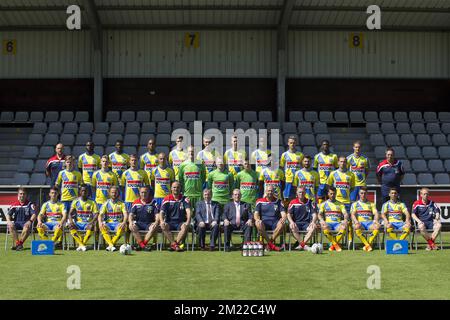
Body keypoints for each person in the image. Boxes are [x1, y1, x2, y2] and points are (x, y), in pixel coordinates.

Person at [327, 156, 355, 244]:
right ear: (338, 163)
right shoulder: (333, 173)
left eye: (344, 162)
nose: (342, 163)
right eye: (341, 162)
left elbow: (352, 188)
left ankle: (350, 240)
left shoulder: (351, 174)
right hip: (336, 202)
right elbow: (329, 186)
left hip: (346, 202)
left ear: (346, 163)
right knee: (336, 222)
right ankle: (334, 241)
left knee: (348, 221)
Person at [159, 181, 192, 252]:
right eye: (174, 187)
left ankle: (174, 244)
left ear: (180, 188)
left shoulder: (185, 199)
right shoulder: (166, 199)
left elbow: (188, 211)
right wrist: (161, 221)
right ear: (171, 188)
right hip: (169, 222)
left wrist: (188, 221)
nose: (176, 189)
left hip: (180, 222)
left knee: (185, 226)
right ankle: (175, 245)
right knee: (163, 226)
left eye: (177, 187)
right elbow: (161, 212)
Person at [254, 185, 286, 252]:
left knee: (282, 223)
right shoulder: (259, 201)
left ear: (274, 192)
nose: (270, 192)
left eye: (271, 191)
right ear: (265, 191)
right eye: (268, 191)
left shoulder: (279, 201)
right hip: (264, 222)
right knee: (257, 223)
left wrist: (283, 218)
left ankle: (269, 244)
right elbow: (256, 214)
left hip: (275, 222)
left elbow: (283, 214)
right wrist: (257, 219)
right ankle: (272, 245)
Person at [67, 184, 98, 251]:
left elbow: (96, 214)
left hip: (87, 223)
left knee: (91, 227)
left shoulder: (92, 202)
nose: (84, 192)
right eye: (82, 191)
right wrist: (71, 222)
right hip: (78, 223)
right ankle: (82, 245)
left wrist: (91, 222)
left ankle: (81, 244)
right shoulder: (75, 201)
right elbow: (70, 213)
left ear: (88, 192)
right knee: (70, 226)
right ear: (80, 192)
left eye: (86, 191)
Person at [129, 186, 159, 251]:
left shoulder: (153, 202)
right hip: (139, 223)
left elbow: (157, 215)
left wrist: (156, 222)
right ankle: (143, 245)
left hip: (149, 223)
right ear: (139, 193)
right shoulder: (136, 202)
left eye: (145, 192)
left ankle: (142, 245)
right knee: (131, 226)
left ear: (148, 193)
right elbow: (131, 214)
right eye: (142, 192)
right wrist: (131, 222)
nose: (144, 194)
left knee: (154, 227)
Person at [318, 187, 348, 252]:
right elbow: (319, 214)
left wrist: (345, 219)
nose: (332, 195)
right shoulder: (323, 204)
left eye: (334, 194)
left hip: (337, 224)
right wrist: (322, 220)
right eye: (331, 194)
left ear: (336, 193)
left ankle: (332, 245)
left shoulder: (340, 204)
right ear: (328, 194)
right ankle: (336, 245)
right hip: (328, 224)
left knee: (344, 226)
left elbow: (345, 213)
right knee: (324, 226)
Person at [98, 186, 128, 252]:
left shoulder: (122, 203)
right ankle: (111, 245)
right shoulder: (106, 203)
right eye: (112, 192)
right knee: (102, 226)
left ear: (118, 193)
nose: (114, 194)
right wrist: (100, 222)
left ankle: (110, 245)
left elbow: (125, 215)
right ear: (109, 193)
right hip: (109, 224)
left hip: (118, 224)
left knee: (122, 227)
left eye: (115, 192)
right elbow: (100, 215)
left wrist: (123, 222)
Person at [287, 187, 317, 251]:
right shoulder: (293, 202)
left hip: (306, 224)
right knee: (292, 227)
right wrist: (291, 222)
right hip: (296, 224)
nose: (301, 193)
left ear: (305, 193)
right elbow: (288, 214)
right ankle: (304, 246)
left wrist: (313, 222)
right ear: (297, 193)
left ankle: (301, 245)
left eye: (303, 192)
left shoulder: (310, 202)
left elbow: (314, 214)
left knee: (313, 227)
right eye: (300, 192)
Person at [350, 187, 380, 252]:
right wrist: (356, 221)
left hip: (369, 223)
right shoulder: (355, 204)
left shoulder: (371, 204)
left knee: (377, 226)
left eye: (365, 193)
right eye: (361, 193)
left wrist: (376, 221)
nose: (363, 195)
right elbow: (352, 214)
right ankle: (368, 245)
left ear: (367, 194)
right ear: (359, 194)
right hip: (360, 223)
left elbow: (376, 213)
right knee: (356, 226)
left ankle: (367, 244)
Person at [178, 145, 206, 213]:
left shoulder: (200, 164)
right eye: (189, 151)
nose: (191, 153)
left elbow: (203, 178)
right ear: (187, 153)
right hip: (187, 194)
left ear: (195, 153)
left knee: (199, 214)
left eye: (193, 151)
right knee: (188, 214)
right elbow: (181, 179)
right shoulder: (182, 165)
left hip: (198, 194)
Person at [280, 136, 304, 208]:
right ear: (288, 143)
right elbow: (281, 167)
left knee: (298, 198)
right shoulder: (284, 155)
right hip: (288, 180)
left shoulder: (300, 155)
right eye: (291, 143)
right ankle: (286, 214)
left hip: (298, 180)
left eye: (293, 143)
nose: (292, 144)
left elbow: (303, 167)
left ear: (296, 143)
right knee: (286, 198)